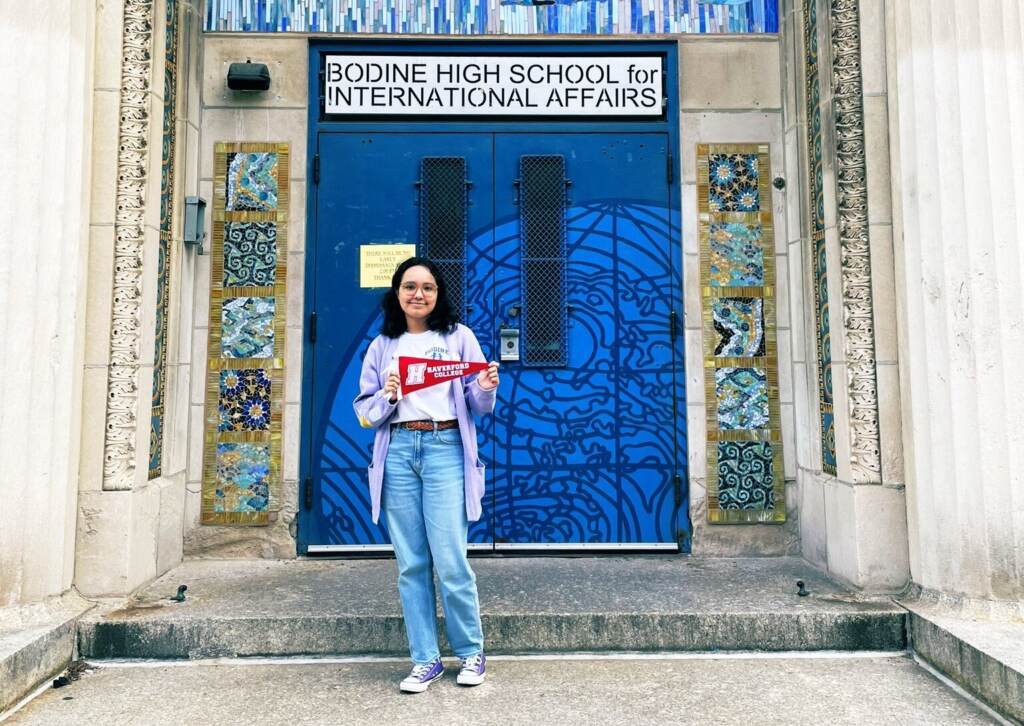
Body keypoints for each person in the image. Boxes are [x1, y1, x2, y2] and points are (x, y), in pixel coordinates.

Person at [354, 257, 500, 693]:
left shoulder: (458, 338)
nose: (418, 294)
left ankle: (472, 652)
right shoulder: (383, 345)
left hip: (445, 449)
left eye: (428, 287)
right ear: (396, 293)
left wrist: (487, 386)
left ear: (439, 294)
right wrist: (387, 396)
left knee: (451, 560)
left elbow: (477, 403)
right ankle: (425, 660)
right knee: (412, 564)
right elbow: (364, 411)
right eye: (410, 286)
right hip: (398, 451)